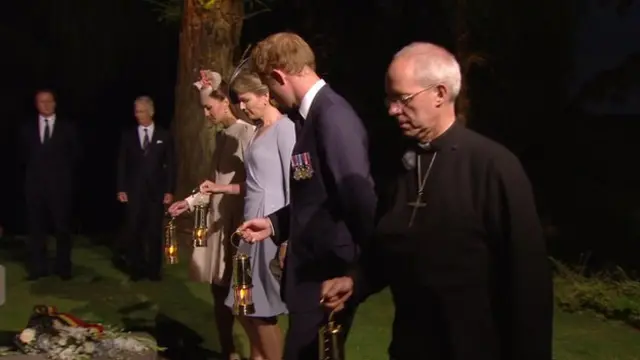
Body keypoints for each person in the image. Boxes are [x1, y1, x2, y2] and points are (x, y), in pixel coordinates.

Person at [320, 42, 554, 360]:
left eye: (402, 99)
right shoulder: (401, 166)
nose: (391, 110)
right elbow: (390, 246)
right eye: (389, 98)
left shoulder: (494, 167)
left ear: (440, 94)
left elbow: (529, 285)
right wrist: (355, 280)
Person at [236, 32, 377, 360]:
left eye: (269, 88)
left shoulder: (333, 117)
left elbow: (358, 198)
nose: (271, 98)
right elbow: (316, 197)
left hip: (327, 278)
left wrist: (360, 272)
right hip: (310, 278)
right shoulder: (310, 119)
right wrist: (274, 224)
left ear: (278, 76)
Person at [167, 70, 254, 360]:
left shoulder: (246, 134)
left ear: (225, 102)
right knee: (218, 291)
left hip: (239, 223)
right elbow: (212, 182)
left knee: (240, 293)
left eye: (209, 107)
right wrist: (189, 203)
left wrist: (222, 188)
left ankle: (260, 351)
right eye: (203, 108)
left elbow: (254, 185)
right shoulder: (222, 137)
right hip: (219, 220)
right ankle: (227, 350)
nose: (206, 114)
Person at [208, 71, 295, 360]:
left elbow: (293, 185)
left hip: (269, 227)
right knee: (243, 305)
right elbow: (255, 182)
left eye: (245, 100)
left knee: (261, 311)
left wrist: (286, 237)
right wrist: (220, 187)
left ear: (265, 95)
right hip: (249, 226)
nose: (242, 107)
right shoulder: (259, 130)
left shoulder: (285, 129)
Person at [21, 89, 79, 281]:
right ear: (36, 105)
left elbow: (76, 156)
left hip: (60, 188)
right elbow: (21, 157)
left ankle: (63, 267)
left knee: (62, 229)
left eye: (49, 101)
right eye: (41, 102)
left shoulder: (67, 128)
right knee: (36, 229)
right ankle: (38, 268)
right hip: (35, 188)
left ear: (55, 103)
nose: (45, 105)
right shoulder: (27, 128)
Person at [116, 96, 175, 281]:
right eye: (136, 111)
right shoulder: (128, 136)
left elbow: (172, 165)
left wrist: (169, 190)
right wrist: (121, 188)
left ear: (151, 112)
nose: (138, 115)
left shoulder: (164, 135)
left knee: (154, 232)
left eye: (141, 111)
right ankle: (136, 268)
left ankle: (154, 270)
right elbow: (122, 164)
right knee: (134, 230)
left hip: (156, 193)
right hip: (134, 192)